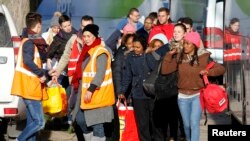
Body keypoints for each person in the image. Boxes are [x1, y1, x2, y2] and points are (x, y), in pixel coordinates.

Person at [161, 32, 225, 141]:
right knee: (186, 125)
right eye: (184, 43)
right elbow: (165, 70)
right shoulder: (180, 57)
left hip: (197, 95)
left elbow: (221, 69)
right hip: (182, 96)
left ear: (195, 45)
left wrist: (208, 72)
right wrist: (168, 55)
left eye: (188, 44)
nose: (185, 46)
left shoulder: (204, 57)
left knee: (194, 123)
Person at [71, 24, 115, 141]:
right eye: (84, 36)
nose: (86, 38)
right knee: (80, 120)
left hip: (98, 95)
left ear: (95, 37)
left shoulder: (100, 52)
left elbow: (99, 74)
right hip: (85, 96)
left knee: (97, 126)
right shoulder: (88, 51)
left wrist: (91, 89)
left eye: (89, 36)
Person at [11, 12, 48, 141]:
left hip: (31, 88)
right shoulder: (29, 43)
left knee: (31, 123)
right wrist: (41, 73)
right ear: (38, 26)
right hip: (30, 89)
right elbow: (28, 61)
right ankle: (19, 139)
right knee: (39, 122)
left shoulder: (28, 41)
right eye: (41, 26)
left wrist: (47, 73)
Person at [120, 36, 160, 141]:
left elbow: (155, 69)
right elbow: (127, 76)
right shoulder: (130, 57)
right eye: (134, 47)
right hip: (138, 93)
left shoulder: (150, 56)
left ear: (144, 47)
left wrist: (146, 55)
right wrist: (123, 91)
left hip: (151, 93)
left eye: (138, 47)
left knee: (154, 122)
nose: (135, 50)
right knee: (142, 123)